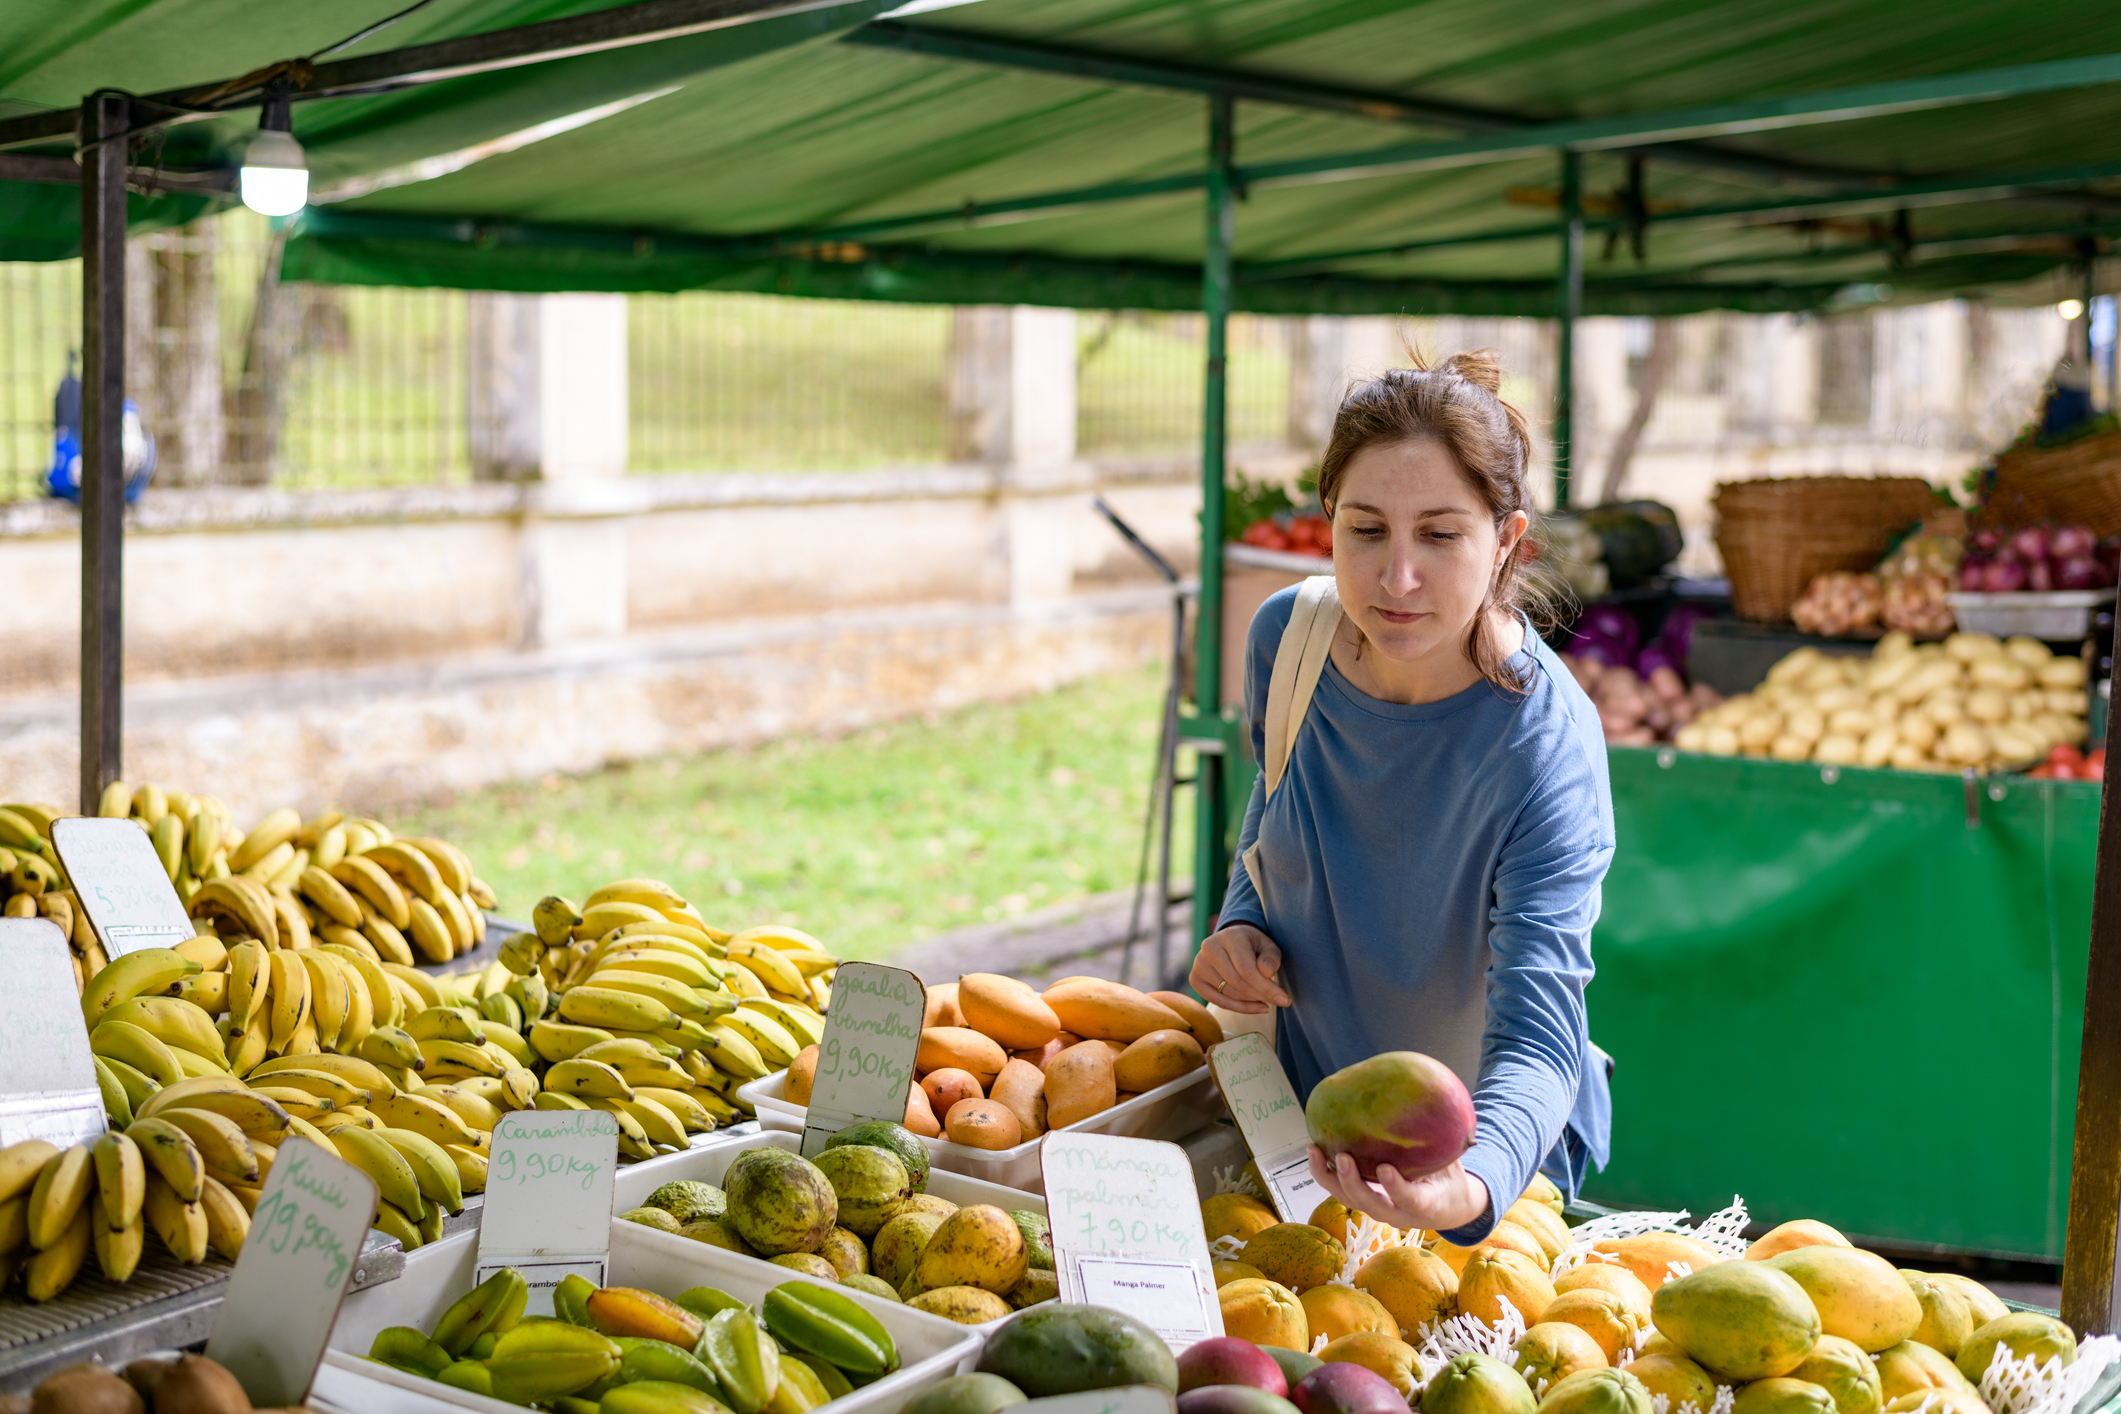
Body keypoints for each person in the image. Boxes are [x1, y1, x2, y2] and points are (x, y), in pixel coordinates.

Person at [1189, 348, 1613, 1247]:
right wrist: (1240, 926)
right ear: (1328, 519)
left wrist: (1464, 1190)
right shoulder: (1287, 639)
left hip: (1475, 1163)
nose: (1397, 578)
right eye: (1366, 529)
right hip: (1298, 1130)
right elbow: (1272, 812)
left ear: (1507, 540)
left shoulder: (1543, 748)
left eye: (1440, 534)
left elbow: (1542, 1034)